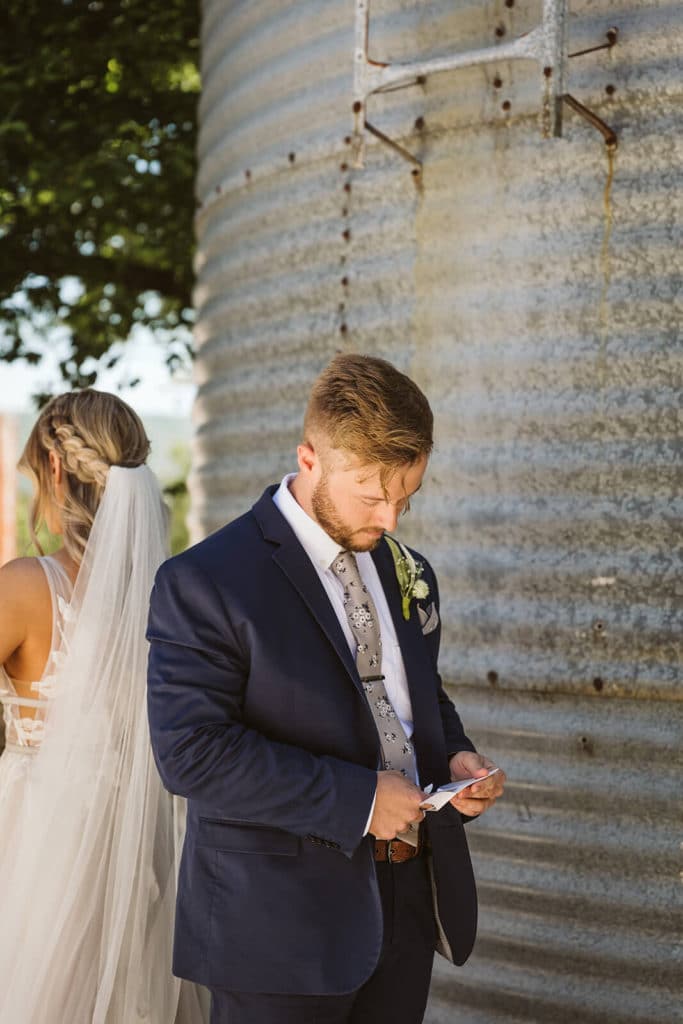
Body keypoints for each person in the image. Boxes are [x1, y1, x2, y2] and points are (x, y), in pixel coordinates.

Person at [147, 353, 506, 1024]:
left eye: (406, 496)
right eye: (371, 494)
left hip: (406, 905)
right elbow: (189, 753)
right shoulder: (205, 580)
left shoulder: (406, 568)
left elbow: (415, 694)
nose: (391, 519)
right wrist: (360, 798)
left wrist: (453, 756)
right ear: (309, 458)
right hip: (275, 928)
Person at [0, 390, 208, 1024]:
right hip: (134, 847)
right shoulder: (173, 602)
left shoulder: (26, 586)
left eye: (35, 476)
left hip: (32, 839)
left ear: (57, 472)